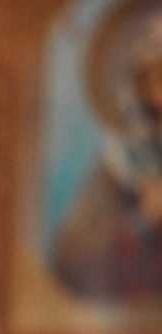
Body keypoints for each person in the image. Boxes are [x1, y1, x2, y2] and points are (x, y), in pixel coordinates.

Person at [51, 13, 162, 298]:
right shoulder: (122, 162)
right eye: (160, 77)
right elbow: (73, 259)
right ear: (141, 87)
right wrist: (144, 219)